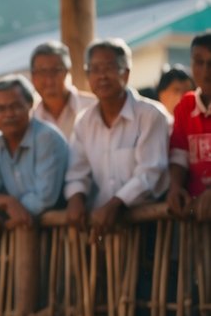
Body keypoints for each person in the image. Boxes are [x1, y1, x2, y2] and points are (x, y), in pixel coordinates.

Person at [64, 39, 170, 241]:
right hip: (102, 231)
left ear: (126, 73)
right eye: (94, 69)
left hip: (147, 227)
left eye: (110, 68)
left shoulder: (151, 115)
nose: (102, 76)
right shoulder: (84, 122)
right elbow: (77, 172)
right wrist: (76, 199)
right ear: (87, 76)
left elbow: (150, 172)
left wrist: (115, 204)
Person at [0, 75, 70, 230]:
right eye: (1, 109)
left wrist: (3, 218)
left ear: (30, 104)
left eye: (15, 106)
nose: (8, 114)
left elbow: (43, 200)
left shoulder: (47, 138)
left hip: (62, 233)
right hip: (23, 234)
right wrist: (7, 202)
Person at [167, 33, 211, 221]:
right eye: (199, 62)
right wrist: (175, 187)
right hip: (196, 214)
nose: (206, 70)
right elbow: (179, 155)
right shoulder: (186, 105)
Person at [29, 40, 97, 138]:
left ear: (68, 71)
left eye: (55, 71)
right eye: (42, 72)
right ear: (33, 76)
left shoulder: (93, 107)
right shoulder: (30, 120)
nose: (49, 79)